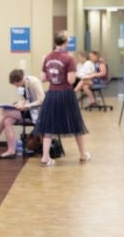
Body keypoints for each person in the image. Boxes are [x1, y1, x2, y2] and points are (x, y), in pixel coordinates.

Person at [35, 30, 91, 166]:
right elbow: (71, 80)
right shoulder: (69, 59)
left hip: (52, 94)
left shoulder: (47, 57)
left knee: (48, 125)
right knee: (75, 124)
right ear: (66, 42)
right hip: (66, 94)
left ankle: (45, 157)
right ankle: (83, 155)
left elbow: (42, 78)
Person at [0, 68, 44, 159]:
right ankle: (11, 150)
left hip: (37, 111)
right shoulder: (24, 84)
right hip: (28, 109)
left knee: (4, 112)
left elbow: (41, 100)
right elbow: (27, 99)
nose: (16, 86)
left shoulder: (34, 82)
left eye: (16, 84)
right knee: (7, 121)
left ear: (20, 80)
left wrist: (26, 106)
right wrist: (20, 103)